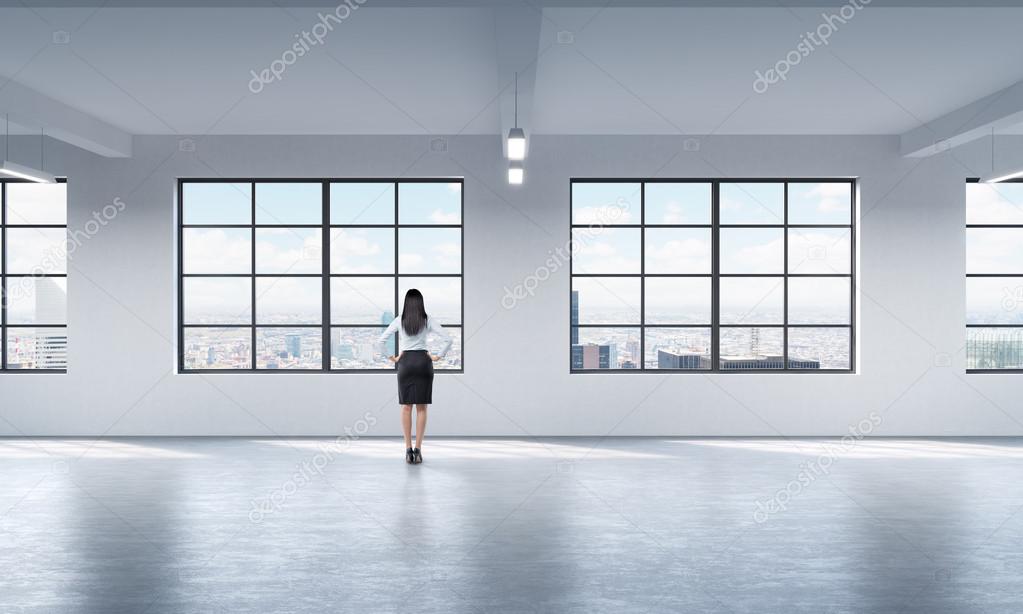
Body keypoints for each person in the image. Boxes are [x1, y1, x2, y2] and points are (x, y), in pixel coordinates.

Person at [378, 289, 452, 464]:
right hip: (423, 362)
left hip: (406, 363)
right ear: (420, 303)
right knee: (422, 408)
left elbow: (381, 341)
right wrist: (437, 356)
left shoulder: (400, 320)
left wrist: (392, 358)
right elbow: (448, 339)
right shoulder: (427, 320)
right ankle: (418, 451)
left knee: (406, 407)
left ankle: (407, 450)